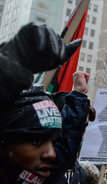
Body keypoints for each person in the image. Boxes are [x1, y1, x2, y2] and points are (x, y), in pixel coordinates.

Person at [0, 23, 89, 183]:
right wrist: (11, 61)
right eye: (37, 141)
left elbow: (65, 151)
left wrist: (78, 98)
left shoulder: (42, 174)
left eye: (54, 142)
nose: (52, 154)